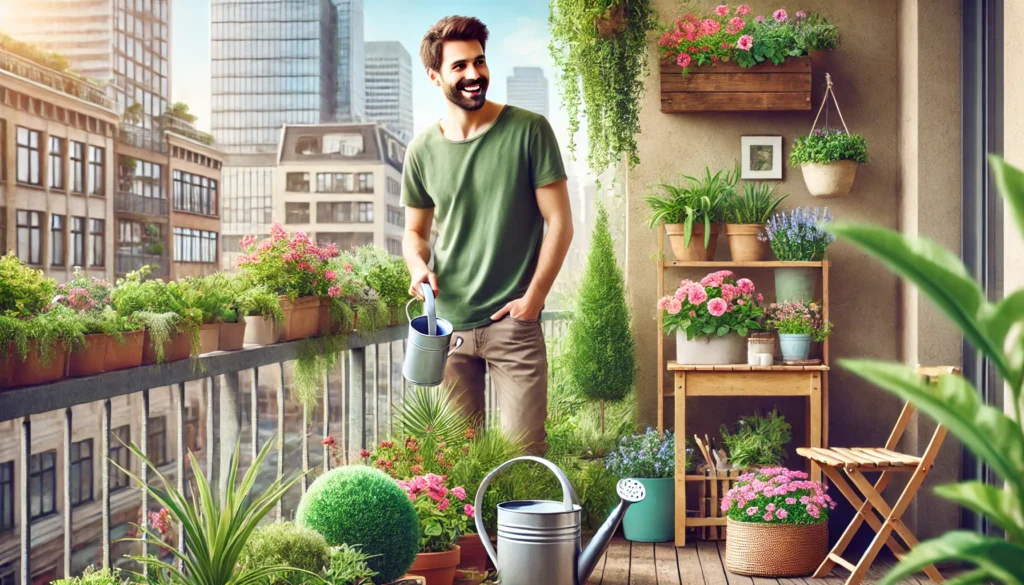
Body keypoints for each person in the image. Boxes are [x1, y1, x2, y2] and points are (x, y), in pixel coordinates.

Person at [401, 15, 573, 454]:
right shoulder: (421, 150)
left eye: (479, 62)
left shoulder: (529, 131)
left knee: (524, 455)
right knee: (458, 462)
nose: (474, 75)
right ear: (434, 75)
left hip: (513, 324)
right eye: (459, 66)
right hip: (449, 328)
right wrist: (417, 266)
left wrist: (532, 301)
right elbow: (415, 232)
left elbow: (560, 222)